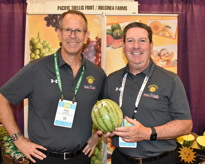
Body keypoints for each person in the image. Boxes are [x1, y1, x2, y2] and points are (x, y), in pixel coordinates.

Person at [0, 10, 106, 164]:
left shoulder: (97, 74)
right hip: (43, 158)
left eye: (78, 30)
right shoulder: (36, 69)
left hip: (81, 158)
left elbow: (108, 107)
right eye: (67, 30)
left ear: (86, 35)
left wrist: (98, 135)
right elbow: (2, 99)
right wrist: (19, 140)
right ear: (59, 33)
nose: (73, 35)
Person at [102, 22, 193, 164]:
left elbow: (186, 124)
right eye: (130, 41)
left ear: (151, 46)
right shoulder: (112, 79)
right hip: (121, 158)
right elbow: (104, 116)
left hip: (159, 160)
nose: (136, 46)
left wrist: (147, 133)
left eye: (142, 40)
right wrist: (105, 130)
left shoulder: (170, 80)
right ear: (123, 46)